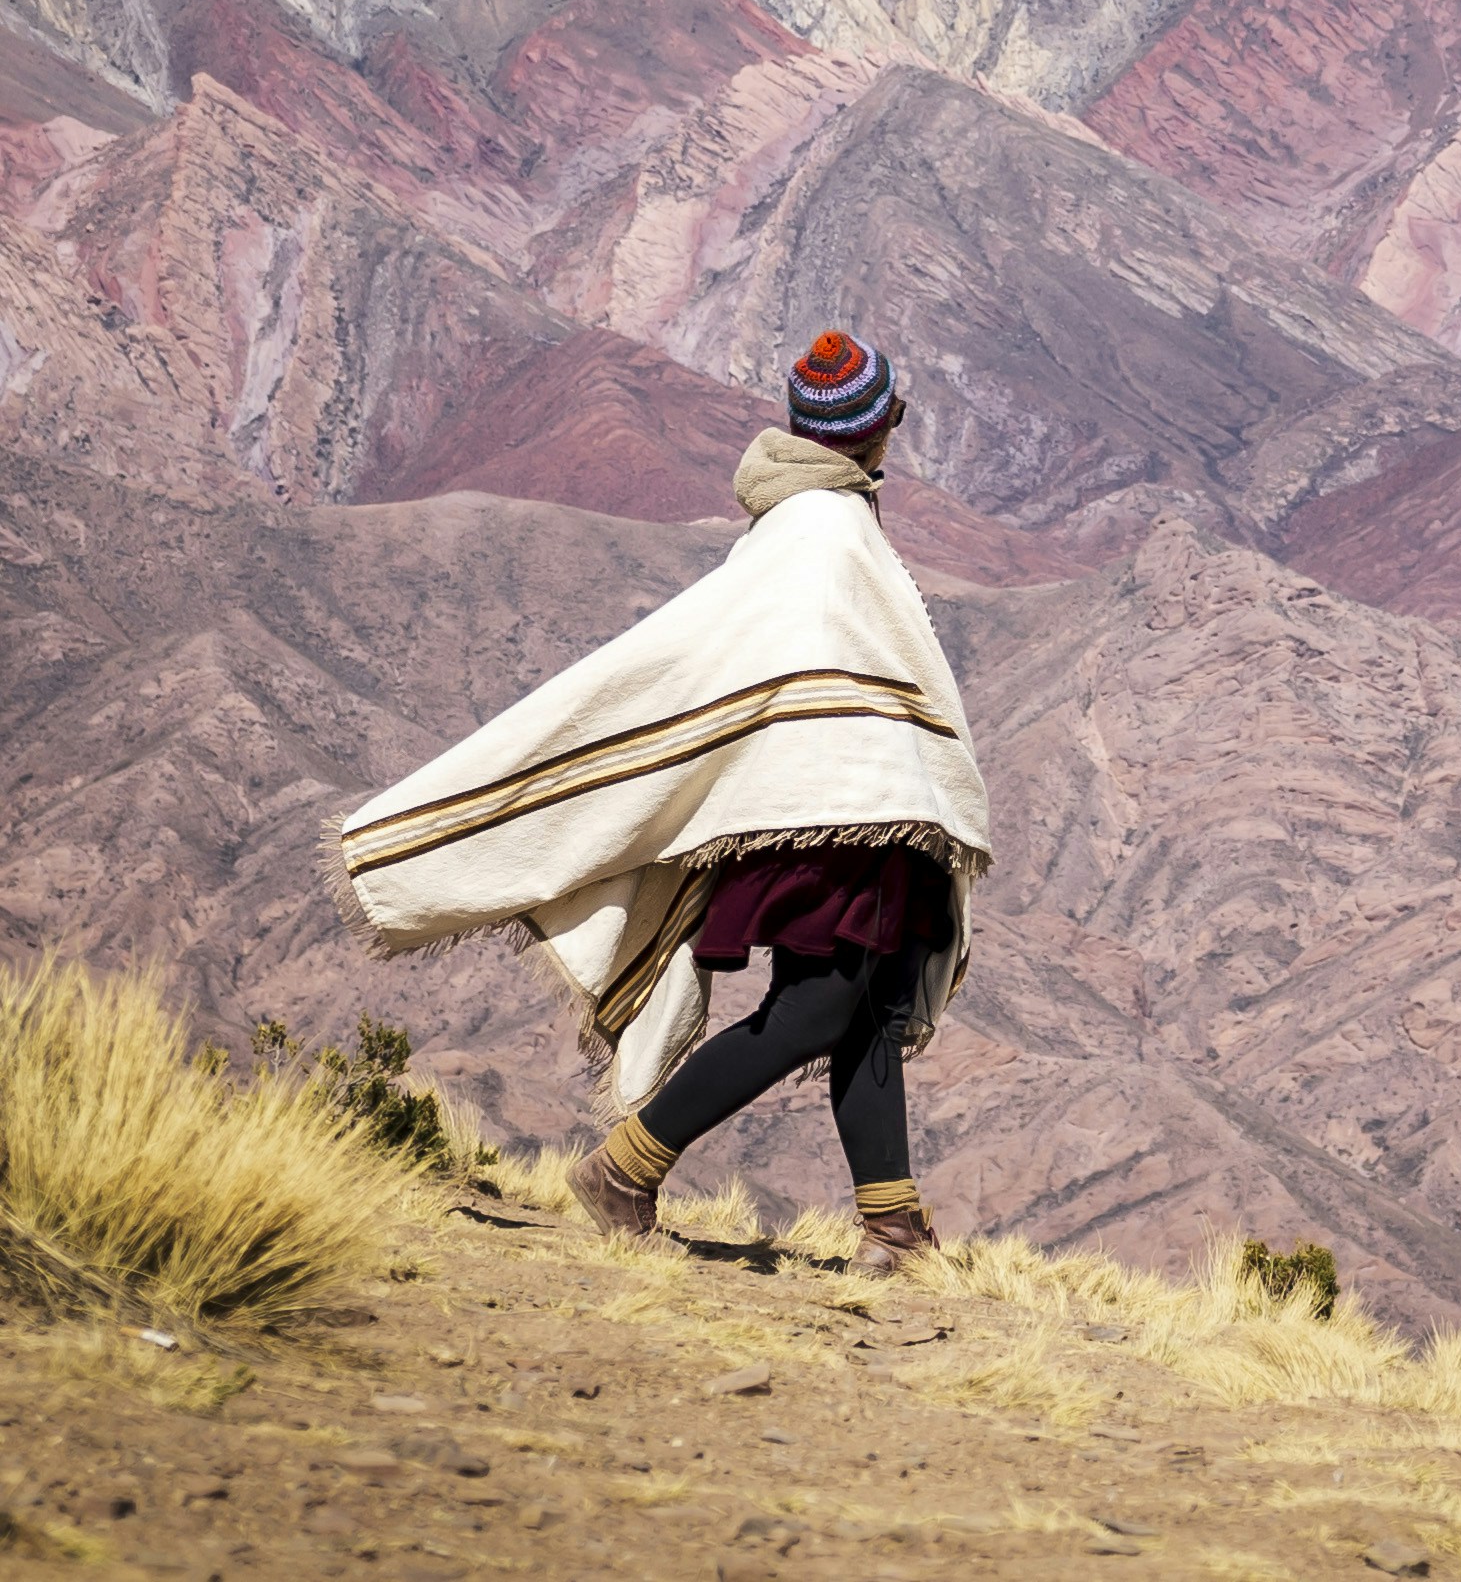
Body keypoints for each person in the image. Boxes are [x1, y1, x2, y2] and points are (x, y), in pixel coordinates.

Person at [328, 328, 988, 1273]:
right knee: (816, 1010)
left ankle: (893, 1230)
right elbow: (777, 677)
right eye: (894, 416)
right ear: (877, 428)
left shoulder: (816, 518)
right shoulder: (823, 533)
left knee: (868, 1005)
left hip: (853, 809)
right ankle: (624, 1172)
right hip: (827, 814)